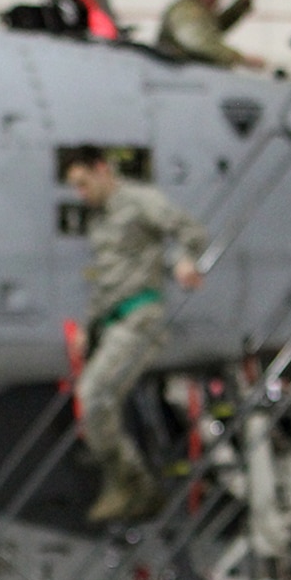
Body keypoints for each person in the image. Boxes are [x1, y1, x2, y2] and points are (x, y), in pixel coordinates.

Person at [62, 147, 210, 524]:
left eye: (83, 183)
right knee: (95, 401)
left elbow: (189, 230)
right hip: (114, 321)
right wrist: (87, 325)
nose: (81, 193)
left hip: (140, 316)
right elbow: (106, 280)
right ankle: (128, 482)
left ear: (101, 169)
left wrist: (184, 260)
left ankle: (132, 483)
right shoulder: (100, 220)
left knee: (94, 396)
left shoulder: (140, 201)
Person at [155, 0, 266, 70]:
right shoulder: (184, 11)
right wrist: (240, 58)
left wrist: (245, 0)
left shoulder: (198, 10)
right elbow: (198, 43)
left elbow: (215, 27)